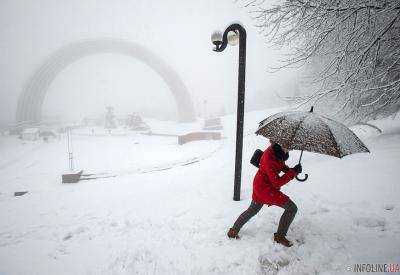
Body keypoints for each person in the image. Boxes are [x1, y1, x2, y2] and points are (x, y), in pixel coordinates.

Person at [227, 142, 302, 247]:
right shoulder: (269, 159)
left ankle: (233, 230)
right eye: (289, 147)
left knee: (252, 210)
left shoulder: (276, 152)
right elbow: (277, 182)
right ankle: (280, 236)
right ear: (281, 145)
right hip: (266, 189)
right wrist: (292, 172)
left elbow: (280, 164)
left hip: (260, 185)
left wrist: (291, 170)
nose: (291, 149)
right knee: (292, 208)